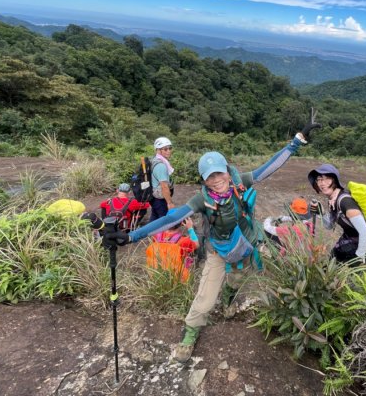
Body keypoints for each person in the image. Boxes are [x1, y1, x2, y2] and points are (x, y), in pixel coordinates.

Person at [103, 117, 320, 363]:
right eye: (209, 177)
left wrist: (296, 141)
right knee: (205, 300)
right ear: (203, 179)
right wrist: (131, 236)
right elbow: (167, 219)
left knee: (236, 280)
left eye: (219, 173)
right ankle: (190, 333)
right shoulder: (201, 200)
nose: (216, 180)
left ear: (227, 171)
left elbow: (269, 168)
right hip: (218, 250)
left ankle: (229, 297)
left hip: (246, 244)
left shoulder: (240, 183)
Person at [145, 209, 200, 283]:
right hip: (176, 277)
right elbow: (196, 245)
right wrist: (190, 228)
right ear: (182, 223)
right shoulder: (183, 241)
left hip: (156, 275)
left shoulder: (156, 235)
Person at [149, 137, 175, 222]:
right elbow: (164, 186)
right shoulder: (161, 165)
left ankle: (149, 234)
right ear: (158, 150)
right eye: (165, 149)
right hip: (160, 200)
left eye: (170, 148)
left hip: (154, 197)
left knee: (154, 219)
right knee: (163, 223)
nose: (169, 151)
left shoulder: (155, 160)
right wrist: (170, 203)